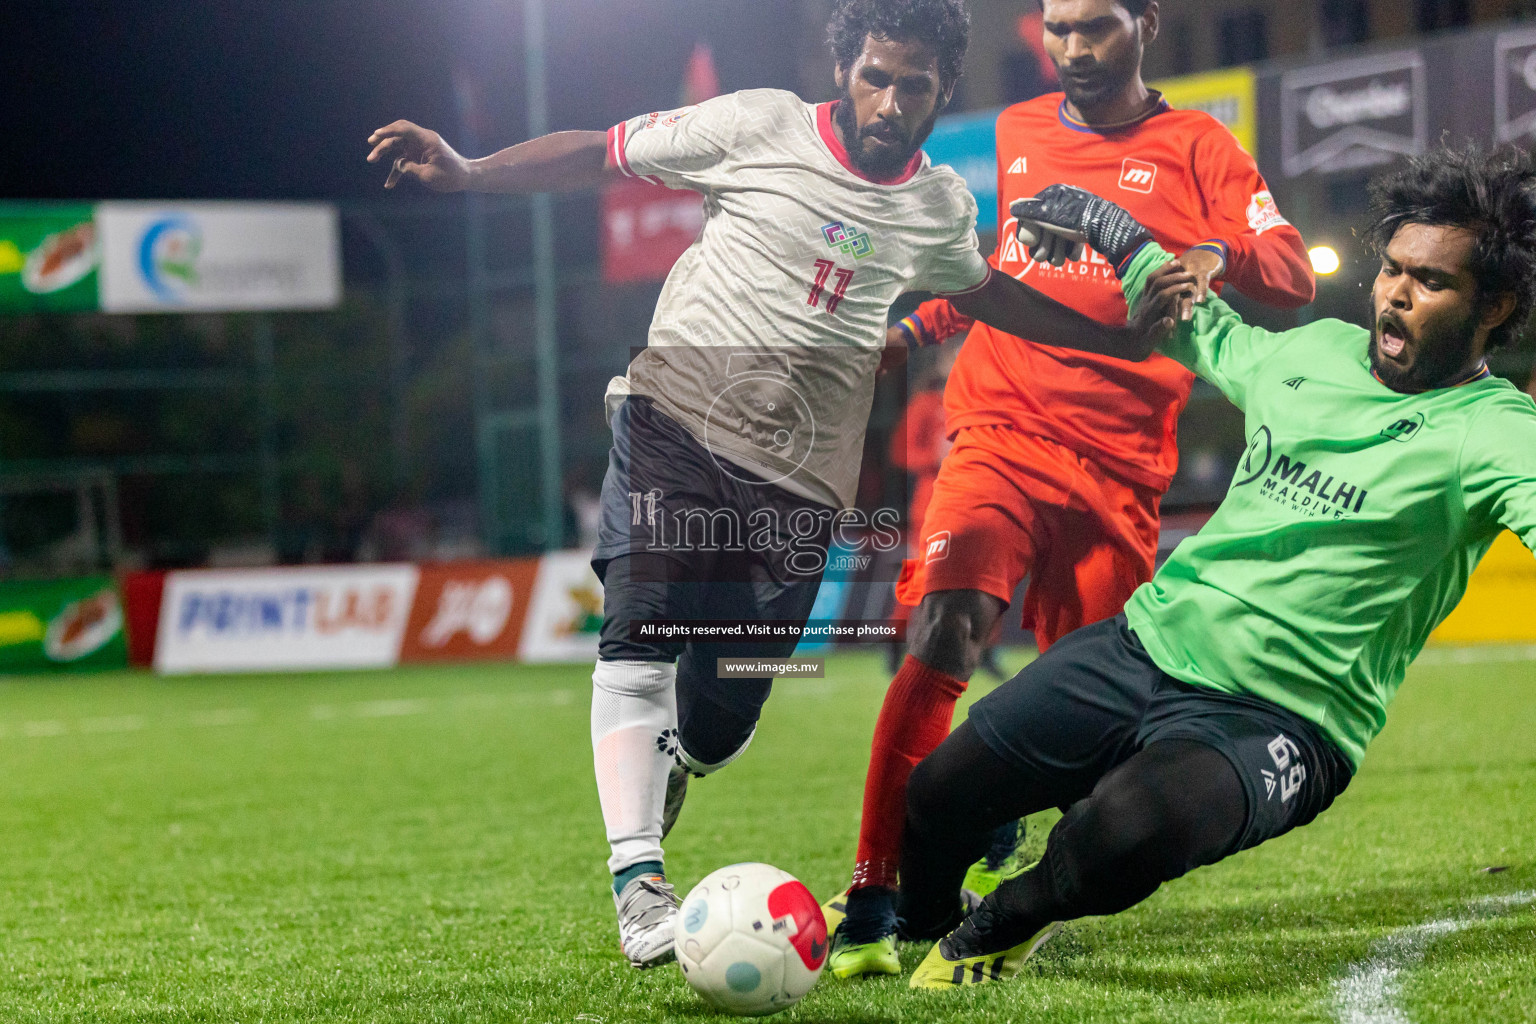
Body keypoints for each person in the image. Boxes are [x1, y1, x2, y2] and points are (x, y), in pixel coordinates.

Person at [367, 0, 1176, 970]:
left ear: (940, 90)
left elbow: (989, 294)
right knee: (642, 627)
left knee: (721, 717)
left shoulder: (937, 210)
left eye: (912, 86)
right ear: (847, 70)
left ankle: (678, 760)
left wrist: (1118, 333)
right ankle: (638, 882)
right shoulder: (754, 125)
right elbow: (604, 152)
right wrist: (467, 169)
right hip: (673, 415)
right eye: (874, 76)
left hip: (799, 485)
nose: (888, 101)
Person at [893, 146, 1536, 989]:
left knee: (1115, 834)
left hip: (1282, 719)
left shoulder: (1494, 429)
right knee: (937, 793)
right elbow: (1202, 324)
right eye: (1391, 270)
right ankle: (922, 920)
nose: (1395, 294)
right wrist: (1109, 226)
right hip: (1143, 647)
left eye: (1431, 283)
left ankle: (1010, 918)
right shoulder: (1318, 353)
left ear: (1496, 307)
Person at [826, 0, 1316, 977]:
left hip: (1122, 470)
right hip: (1000, 431)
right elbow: (1006, 272)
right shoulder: (1019, 132)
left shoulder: (1200, 144)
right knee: (944, 629)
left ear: (1148, 24)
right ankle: (878, 891)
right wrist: (912, 333)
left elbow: (1294, 271)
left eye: (1097, 27)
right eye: (1058, 29)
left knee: (1101, 739)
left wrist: (1214, 255)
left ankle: (1002, 828)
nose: (1074, 50)